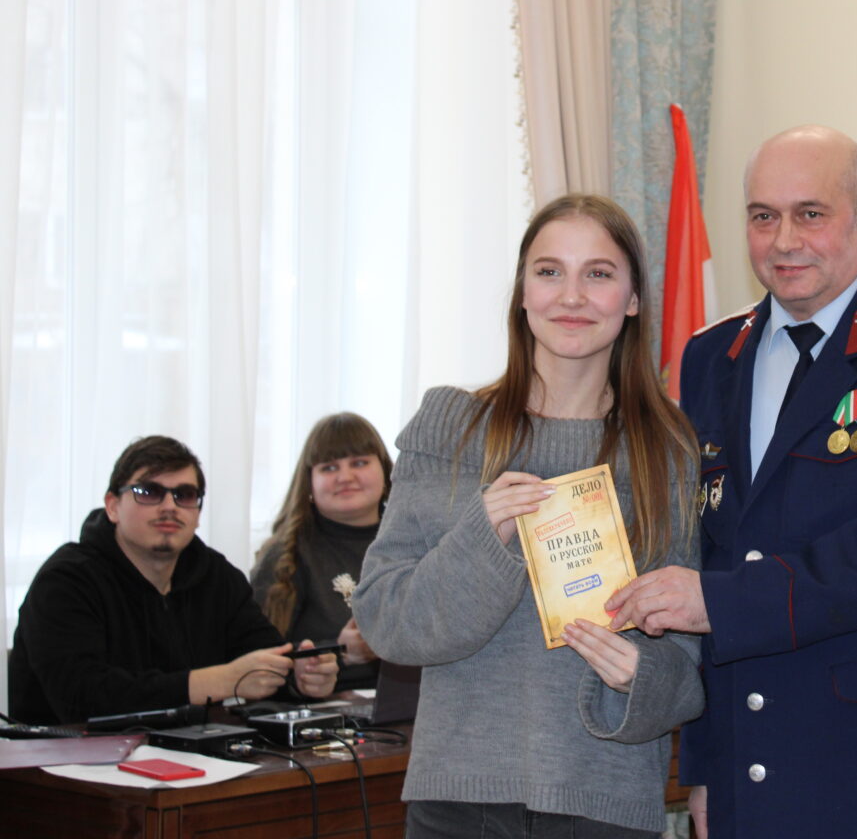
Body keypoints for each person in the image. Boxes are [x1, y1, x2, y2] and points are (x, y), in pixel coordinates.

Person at [605, 126, 857, 838]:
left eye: (811, 214)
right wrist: (704, 767)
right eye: (763, 216)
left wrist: (721, 601)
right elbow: (706, 550)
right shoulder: (711, 355)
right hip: (749, 772)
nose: (784, 240)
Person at [352, 195, 702, 839]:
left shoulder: (670, 448)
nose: (571, 295)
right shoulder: (451, 427)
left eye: (598, 273)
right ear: (521, 291)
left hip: (605, 803)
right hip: (457, 802)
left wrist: (643, 677)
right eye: (549, 271)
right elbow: (387, 622)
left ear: (632, 299)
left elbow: (692, 654)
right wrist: (483, 539)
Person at [9, 436, 338, 725]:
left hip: (188, 756)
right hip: (63, 766)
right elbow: (82, 698)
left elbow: (264, 658)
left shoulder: (216, 576)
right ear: (113, 506)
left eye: (185, 495)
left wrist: (301, 678)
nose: (169, 506)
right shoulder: (66, 581)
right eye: (148, 492)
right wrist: (219, 681)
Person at [252, 412, 393, 691]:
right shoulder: (284, 556)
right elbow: (255, 663)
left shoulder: (415, 545)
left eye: (360, 462)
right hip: (323, 710)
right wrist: (341, 652)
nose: (345, 477)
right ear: (309, 482)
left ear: (386, 471)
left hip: (413, 708)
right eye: (329, 468)